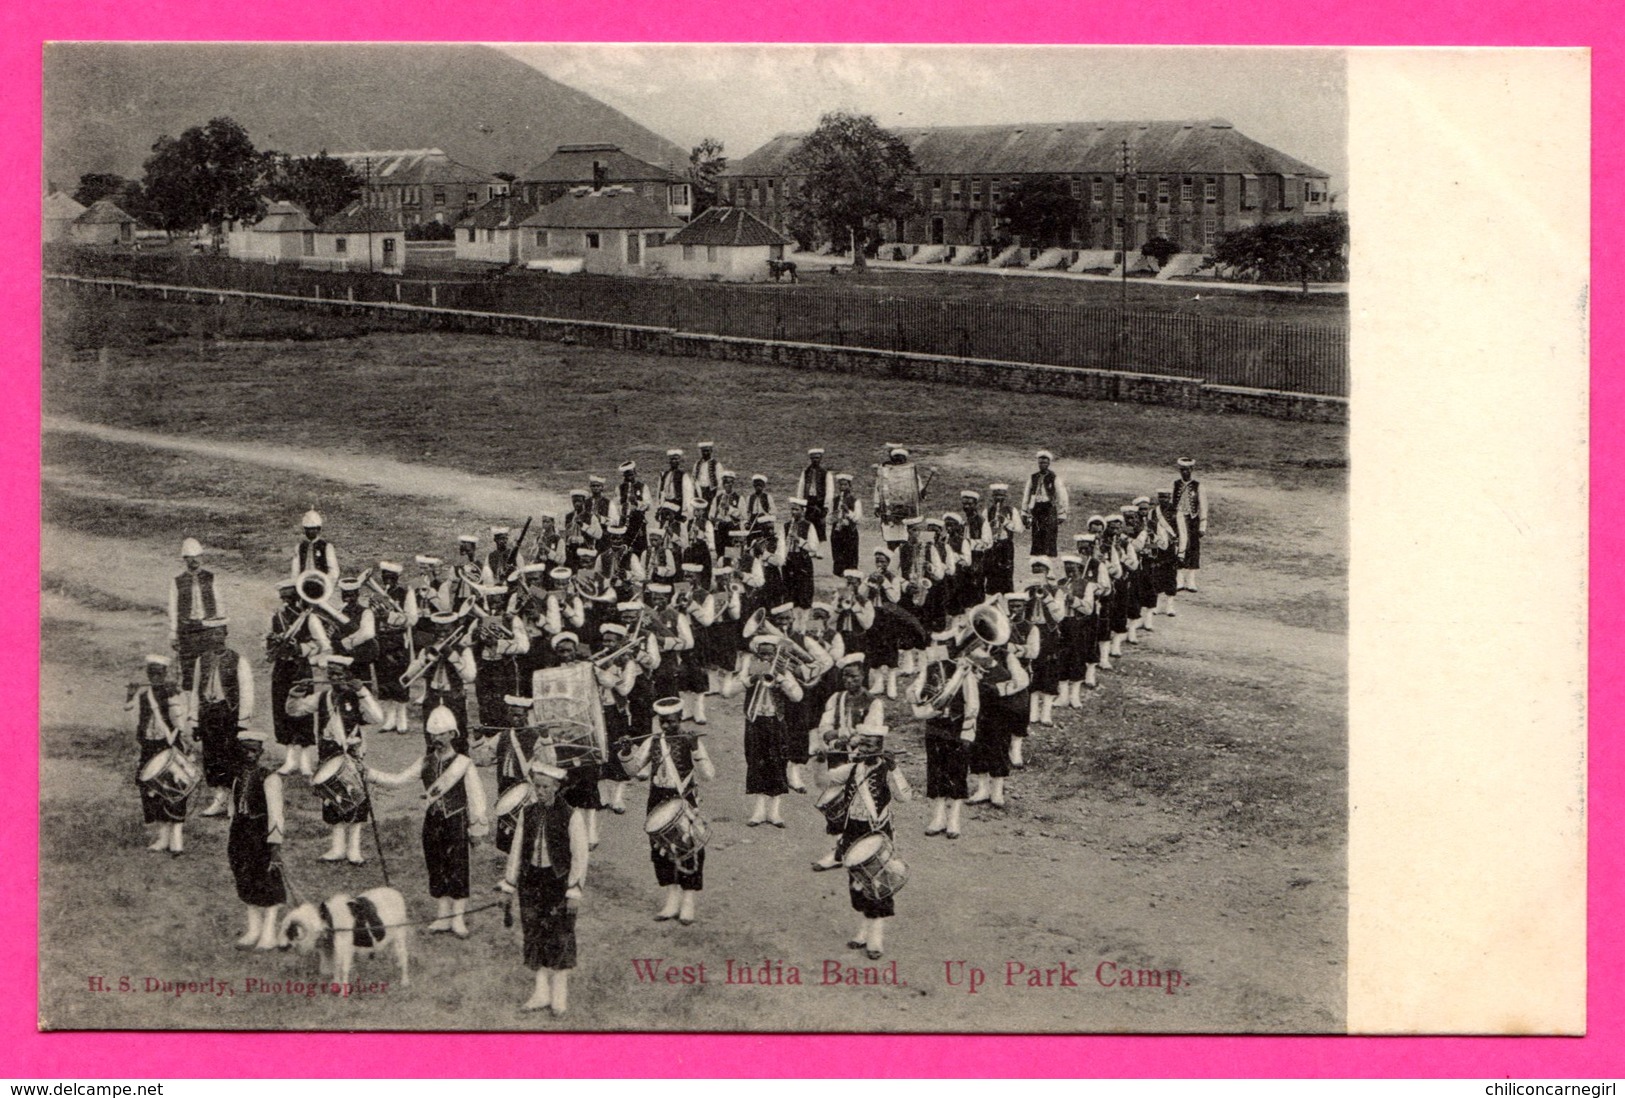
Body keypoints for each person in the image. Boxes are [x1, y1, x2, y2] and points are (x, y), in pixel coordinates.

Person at [368, 705, 490, 938]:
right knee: (436, 866)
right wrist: (371, 774)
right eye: (433, 734)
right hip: (432, 822)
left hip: (456, 822)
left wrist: (477, 827)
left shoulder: (464, 763)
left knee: (457, 867)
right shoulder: (424, 762)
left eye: (442, 734)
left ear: (453, 734)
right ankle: (443, 917)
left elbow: (477, 798)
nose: (437, 739)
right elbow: (398, 780)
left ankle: (458, 918)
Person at [501, 759, 590, 1014]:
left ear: (557, 787)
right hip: (531, 882)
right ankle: (541, 993)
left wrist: (574, 890)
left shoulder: (571, 816)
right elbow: (517, 850)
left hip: (558, 883)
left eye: (545, 787)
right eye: (537, 787)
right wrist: (510, 884)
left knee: (560, 936)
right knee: (534, 934)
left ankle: (559, 997)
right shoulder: (526, 814)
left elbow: (580, 855)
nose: (540, 792)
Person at [622, 697, 716, 925]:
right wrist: (626, 752)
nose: (666, 726)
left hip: (684, 799)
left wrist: (695, 749)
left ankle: (688, 900)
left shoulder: (689, 739)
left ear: (681, 718)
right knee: (660, 849)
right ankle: (671, 898)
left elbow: (708, 774)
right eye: (662, 722)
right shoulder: (653, 741)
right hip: (657, 799)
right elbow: (634, 770)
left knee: (690, 848)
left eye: (671, 722)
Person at [287, 654, 383, 865]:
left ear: (348, 675)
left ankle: (354, 851)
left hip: (353, 757)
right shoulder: (322, 698)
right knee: (333, 802)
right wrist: (297, 693)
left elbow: (377, 718)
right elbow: (294, 710)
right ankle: (337, 849)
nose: (335, 679)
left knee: (357, 802)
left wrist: (363, 692)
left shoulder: (356, 698)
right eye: (331, 675)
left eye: (340, 675)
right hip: (328, 757)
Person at [828, 719, 911, 960]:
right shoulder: (853, 768)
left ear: (881, 745)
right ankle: (864, 930)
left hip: (878, 831)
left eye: (872, 745)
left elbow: (905, 797)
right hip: (853, 830)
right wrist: (836, 751)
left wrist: (895, 769)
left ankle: (876, 937)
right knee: (857, 882)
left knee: (879, 884)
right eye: (863, 744)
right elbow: (829, 780)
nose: (866, 749)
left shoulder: (887, 770)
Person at [811, 654, 886, 869]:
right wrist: (834, 736)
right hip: (837, 756)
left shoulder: (874, 702)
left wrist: (850, 737)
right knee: (835, 804)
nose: (849, 681)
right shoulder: (836, 698)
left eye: (853, 676)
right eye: (845, 677)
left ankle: (864, 853)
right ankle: (838, 851)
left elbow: (870, 733)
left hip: (861, 760)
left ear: (863, 676)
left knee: (862, 807)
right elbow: (824, 728)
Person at [723, 634, 803, 827]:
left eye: (770, 654)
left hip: (776, 722)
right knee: (756, 762)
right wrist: (751, 678)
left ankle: (775, 812)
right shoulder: (750, 666)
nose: (766, 659)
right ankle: (759, 811)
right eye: (763, 654)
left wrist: (782, 680)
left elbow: (797, 696)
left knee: (777, 763)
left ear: (775, 654)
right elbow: (728, 692)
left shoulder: (782, 668)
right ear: (757, 653)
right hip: (755, 721)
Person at [185, 617, 254, 819]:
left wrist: (243, 722)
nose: (215, 638)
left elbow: (247, 693)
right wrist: (195, 721)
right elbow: (196, 690)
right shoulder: (202, 660)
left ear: (225, 634)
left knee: (231, 756)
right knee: (212, 756)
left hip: (228, 715)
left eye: (218, 633)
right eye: (210, 634)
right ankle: (219, 798)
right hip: (208, 714)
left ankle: (234, 801)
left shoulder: (238, 660)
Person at [911, 643, 978, 840]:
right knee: (936, 772)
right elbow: (917, 693)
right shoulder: (928, 670)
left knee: (957, 773)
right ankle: (938, 817)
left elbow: (972, 704)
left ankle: (954, 819)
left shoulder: (964, 672)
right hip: (934, 728)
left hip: (956, 729)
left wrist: (967, 734)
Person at [227, 729, 286, 951]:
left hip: (260, 834)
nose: (249, 755)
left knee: (267, 881)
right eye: (245, 750)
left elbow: (276, 814)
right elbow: (233, 808)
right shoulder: (238, 776)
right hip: (241, 832)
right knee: (244, 877)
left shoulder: (270, 778)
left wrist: (275, 847)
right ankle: (254, 929)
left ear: (261, 751)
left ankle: (269, 932)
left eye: (254, 750)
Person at [967, 610, 1032, 809]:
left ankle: (997, 791)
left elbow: (1022, 681)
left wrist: (998, 689)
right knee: (977, 747)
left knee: (998, 747)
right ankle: (982, 788)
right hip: (978, 707)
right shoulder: (968, 655)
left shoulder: (1006, 656)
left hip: (999, 709)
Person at [129, 654, 190, 854]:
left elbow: (182, 722)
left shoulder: (173, 692)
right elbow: (130, 712)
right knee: (151, 789)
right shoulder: (144, 694)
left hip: (170, 745)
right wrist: (130, 695)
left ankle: (177, 838)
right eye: (151, 673)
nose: (155, 676)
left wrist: (175, 698)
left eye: (159, 673)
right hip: (149, 746)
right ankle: (163, 837)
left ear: (165, 674)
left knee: (175, 790)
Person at [168, 538, 219, 691]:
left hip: (207, 628)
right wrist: (173, 633)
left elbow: (219, 602)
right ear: (185, 559)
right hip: (187, 630)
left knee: (207, 668)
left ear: (202, 558)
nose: (195, 561)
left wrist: (220, 626)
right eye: (191, 558)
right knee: (188, 669)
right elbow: (172, 608)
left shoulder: (211, 578)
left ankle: (205, 702)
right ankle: (189, 703)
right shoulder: (177, 581)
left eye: (197, 557)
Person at [370, 561, 415, 733]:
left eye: (391, 577)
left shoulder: (405, 593)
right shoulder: (376, 595)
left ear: (397, 577)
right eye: (384, 577)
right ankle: (389, 718)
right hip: (382, 640)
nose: (387, 580)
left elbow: (412, 619)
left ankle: (402, 717)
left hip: (398, 641)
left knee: (399, 678)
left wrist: (390, 616)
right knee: (383, 679)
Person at [873, 447, 925, 551]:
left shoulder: (912, 475)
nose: (898, 461)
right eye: (896, 459)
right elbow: (878, 490)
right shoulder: (885, 475)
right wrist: (877, 505)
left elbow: (919, 492)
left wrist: (922, 493)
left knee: (907, 542)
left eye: (901, 459)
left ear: (905, 460)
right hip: (890, 515)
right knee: (891, 542)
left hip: (907, 516)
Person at [1022, 451, 1070, 559]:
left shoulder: (1054, 478)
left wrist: (1062, 513)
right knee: (1037, 532)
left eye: (1045, 463)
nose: (1042, 465)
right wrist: (1024, 511)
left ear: (1048, 464)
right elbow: (1027, 494)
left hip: (1049, 508)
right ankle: (1037, 558)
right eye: (1040, 463)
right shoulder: (1033, 477)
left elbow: (1062, 495)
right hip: (1037, 508)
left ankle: (1049, 557)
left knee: (1049, 533)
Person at [1172, 457, 1209, 592]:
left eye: (1187, 470)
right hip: (1178, 519)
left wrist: (1202, 526)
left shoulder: (1198, 486)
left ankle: (1191, 580)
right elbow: (1171, 504)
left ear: (1191, 470)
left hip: (1192, 520)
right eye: (1182, 470)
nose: (1185, 473)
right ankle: (1179, 579)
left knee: (1193, 548)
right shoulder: (1175, 484)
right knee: (1179, 548)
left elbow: (1203, 506)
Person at [781, 497, 822, 609]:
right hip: (789, 559)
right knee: (789, 591)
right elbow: (782, 545)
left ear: (803, 511)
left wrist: (799, 540)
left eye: (796, 510)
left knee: (804, 591)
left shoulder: (809, 526)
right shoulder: (786, 526)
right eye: (792, 509)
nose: (793, 512)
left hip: (802, 560)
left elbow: (814, 547)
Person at [983, 484, 1024, 595]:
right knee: (992, 572)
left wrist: (1005, 522)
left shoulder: (1012, 511)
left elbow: (1019, 529)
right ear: (993, 496)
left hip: (1006, 545)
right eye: (996, 496)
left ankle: (1007, 595)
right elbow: (983, 531)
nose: (999, 499)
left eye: (1001, 496)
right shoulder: (987, 511)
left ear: (1005, 496)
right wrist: (990, 526)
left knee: (1006, 571)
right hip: (992, 545)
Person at [828, 473, 863, 576]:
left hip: (850, 533)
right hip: (837, 532)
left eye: (845, 485)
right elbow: (828, 520)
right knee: (838, 557)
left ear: (850, 486)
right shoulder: (834, 501)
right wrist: (834, 516)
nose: (843, 487)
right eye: (841, 485)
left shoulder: (856, 501)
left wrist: (848, 512)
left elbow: (858, 519)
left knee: (851, 556)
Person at [796, 448, 835, 541]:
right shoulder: (805, 472)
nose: (815, 460)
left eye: (817, 458)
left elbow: (830, 490)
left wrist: (826, 506)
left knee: (820, 525)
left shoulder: (825, 473)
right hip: (808, 502)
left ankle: (818, 549)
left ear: (821, 458)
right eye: (813, 458)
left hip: (819, 503)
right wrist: (800, 503)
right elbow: (801, 489)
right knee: (807, 525)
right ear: (810, 458)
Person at [291, 510, 340, 584]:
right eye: (308, 529)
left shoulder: (327, 547)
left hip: (321, 583)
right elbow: (295, 570)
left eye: (313, 529)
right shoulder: (299, 547)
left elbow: (334, 570)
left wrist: (325, 582)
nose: (310, 532)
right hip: (304, 583)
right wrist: (296, 583)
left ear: (319, 529)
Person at [614, 461, 651, 553]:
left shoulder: (643, 487)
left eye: (631, 475)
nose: (629, 478)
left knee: (639, 544)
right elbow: (615, 504)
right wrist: (623, 508)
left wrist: (636, 503)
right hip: (624, 521)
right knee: (624, 543)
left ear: (635, 473)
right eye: (626, 476)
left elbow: (648, 504)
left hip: (638, 520)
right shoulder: (619, 488)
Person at [707, 470, 744, 557]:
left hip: (732, 529)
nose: (729, 485)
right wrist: (716, 519)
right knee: (721, 555)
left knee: (732, 555)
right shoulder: (718, 498)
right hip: (720, 530)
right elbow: (710, 515)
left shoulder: (739, 498)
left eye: (731, 482)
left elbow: (743, 516)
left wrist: (729, 509)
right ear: (723, 484)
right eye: (727, 482)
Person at [658, 449, 699, 519]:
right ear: (669, 461)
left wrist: (685, 511)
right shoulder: (664, 474)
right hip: (665, 505)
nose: (674, 461)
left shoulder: (683, 475)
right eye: (672, 459)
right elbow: (661, 492)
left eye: (676, 459)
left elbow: (687, 494)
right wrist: (659, 507)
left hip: (677, 505)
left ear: (679, 461)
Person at [692, 442, 722, 507]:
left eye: (707, 451)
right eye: (703, 451)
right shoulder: (697, 464)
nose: (705, 453)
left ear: (711, 451)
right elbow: (693, 477)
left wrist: (716, 492)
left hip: (711, 491)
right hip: (699, 490)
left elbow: (720, 480)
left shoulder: (716, 464)